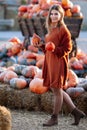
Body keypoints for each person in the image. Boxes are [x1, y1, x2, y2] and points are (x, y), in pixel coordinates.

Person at [32, 4, 86, 127]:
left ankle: (54, 118)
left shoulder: (63, 30)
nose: (53, 16)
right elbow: (48, 49)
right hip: (50, 61)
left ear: (61, 15)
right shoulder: (51, 27)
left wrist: (55, 49)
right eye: (51, 14)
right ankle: (76, 112)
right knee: (57, 89)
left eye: (56, 13)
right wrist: (40, 45)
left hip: (58, 62)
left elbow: (68, 48)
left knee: (56, 90)